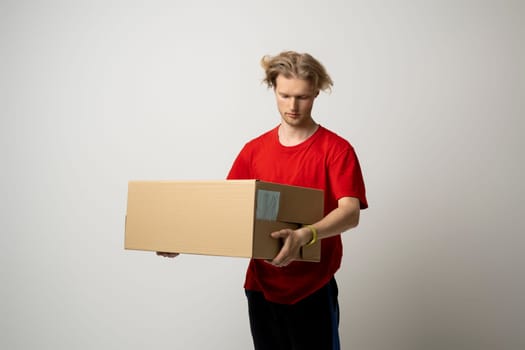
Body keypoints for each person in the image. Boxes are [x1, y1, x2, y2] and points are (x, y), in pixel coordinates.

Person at [159, 51, 367, 350]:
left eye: (303, 97)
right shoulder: (253, 151)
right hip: (261, 287)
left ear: (316, 93)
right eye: (285, 95)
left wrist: (305, 235)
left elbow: (350, 213)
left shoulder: (336, 150)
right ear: (273, 89)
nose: (293, 106)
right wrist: (181, 239)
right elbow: (226, 211)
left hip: (313, 287)